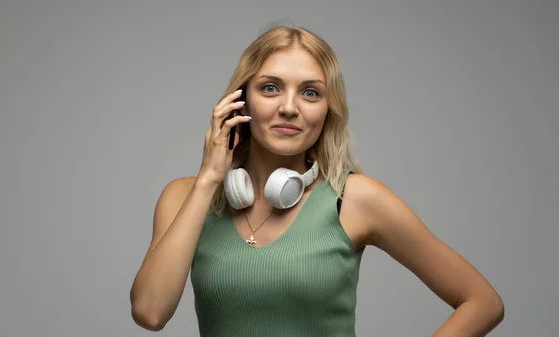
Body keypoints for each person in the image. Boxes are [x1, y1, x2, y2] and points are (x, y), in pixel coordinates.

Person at [129, 25, 504, 336]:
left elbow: (482, 302)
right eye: (270, 87)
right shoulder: (184, 197)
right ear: (241, 101)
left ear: (328, 109)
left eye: (310, 92)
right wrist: (210, 177)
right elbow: (150, 312)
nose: (289, 107)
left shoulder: (354, 198)